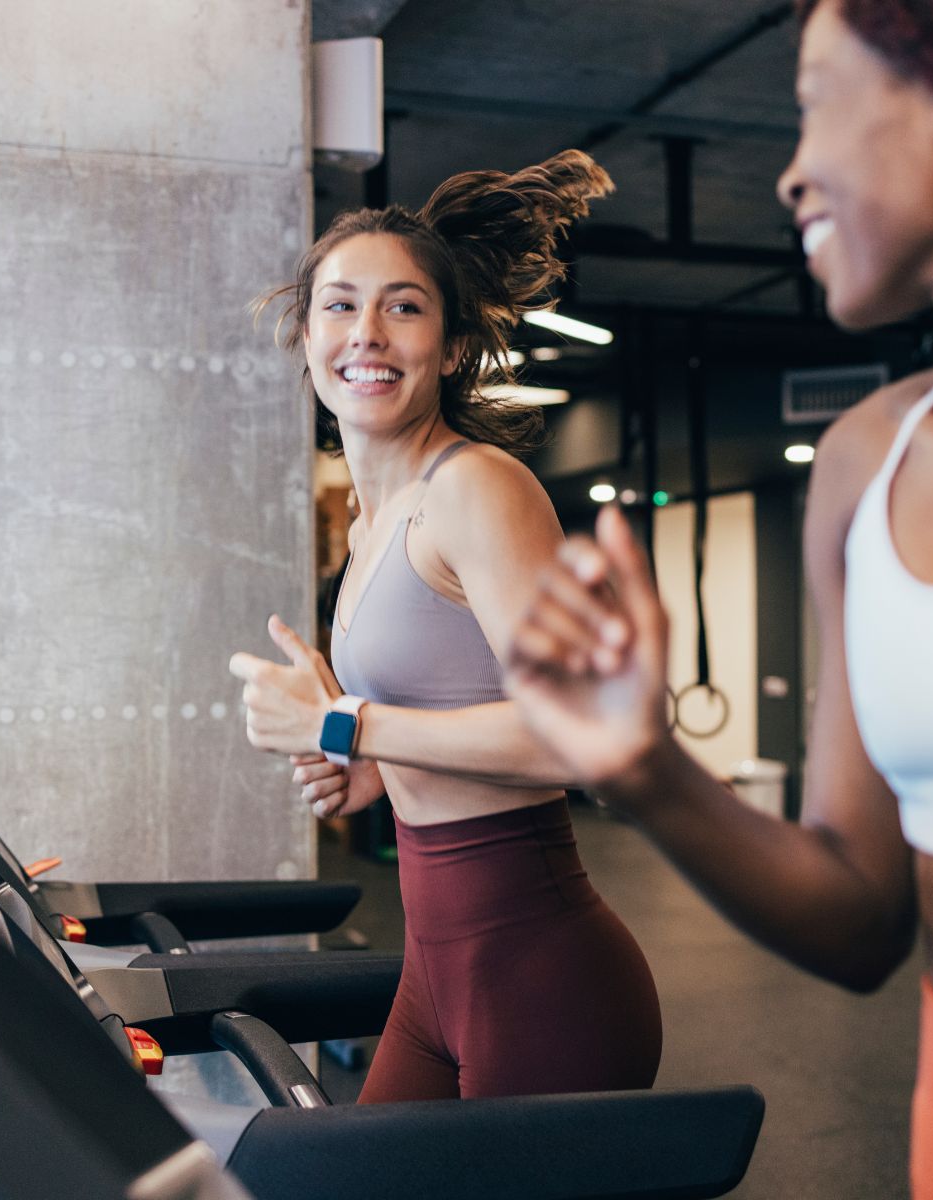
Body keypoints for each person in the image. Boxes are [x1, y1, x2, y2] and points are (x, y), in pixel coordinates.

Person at [505, 2, 933, 1197]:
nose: (786, 174)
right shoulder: (865, 464)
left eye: (814, 101)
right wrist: (644, 771)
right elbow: (860, 916)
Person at [228, 151, 662, 1103]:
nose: (366, 332)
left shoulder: (475, 487)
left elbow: (593, 734)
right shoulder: (376, 516)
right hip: (435, 970)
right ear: (305, 336)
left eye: (405, 306)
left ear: (453, 348)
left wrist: (344, 726)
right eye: (340, 305)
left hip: (543, 975)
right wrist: (375, 773)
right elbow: (465, 702)